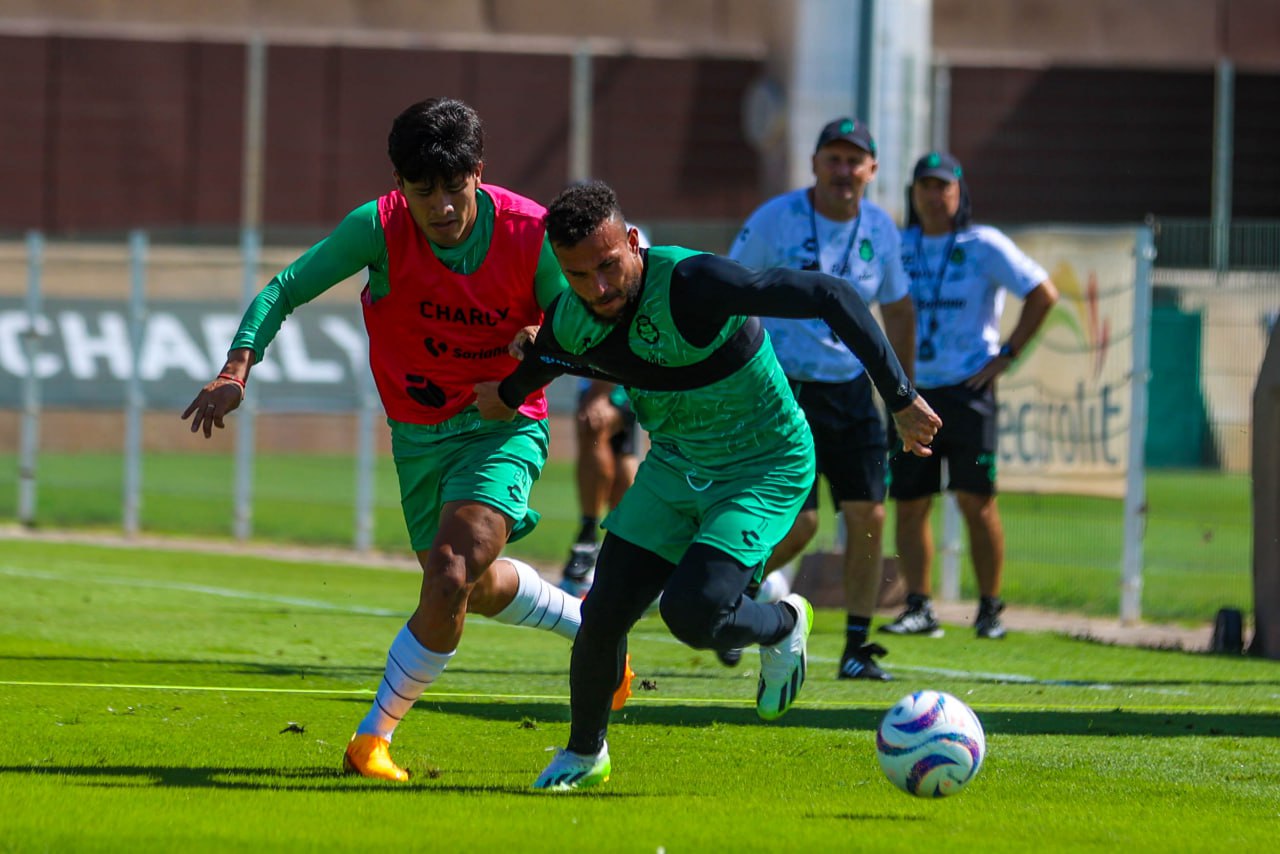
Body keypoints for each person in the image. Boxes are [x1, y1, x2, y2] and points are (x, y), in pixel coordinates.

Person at [180, 97, 631, 783]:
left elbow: (582, 318)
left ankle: (370, 740)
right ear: (401, 187)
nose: (442, 207)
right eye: (424, 192)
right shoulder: (379, 228)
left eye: (455, 188)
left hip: (501, 426)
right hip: (418, 437)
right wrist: (236, 365)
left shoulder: (528, 233)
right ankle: (589, 626)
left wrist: (546, 343)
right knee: (460, 589)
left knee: (450, 571)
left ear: (478, 173)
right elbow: (285, 289)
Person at [473, 180, 941, 791]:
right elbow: (525, 379)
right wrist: (495, 395)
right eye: (579, 275)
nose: (600, 288)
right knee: (603, 613)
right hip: (674, 466)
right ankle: (585, 754)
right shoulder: (570, 322)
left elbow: (833, 293)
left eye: (609, 265)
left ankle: (781, 625)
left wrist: (900, 398)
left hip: (764, 463)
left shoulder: (693, 285)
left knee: (691, 613)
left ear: (633, 244)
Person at [727, 117, 915, 681]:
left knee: (869, 515)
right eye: (832, 158)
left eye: (854, 161)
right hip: (785, 389)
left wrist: (904, 390)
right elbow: (728, 288)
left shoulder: (882, 229)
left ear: (872, 171)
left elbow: (900, 309)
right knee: (801, 524)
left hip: (854, 390)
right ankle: (733, 595)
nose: (843, 171)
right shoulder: (774, 218)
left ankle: (856, 649)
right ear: (814, 164)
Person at [881, 151, 1059, 640]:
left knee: (976, 502)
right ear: (913, 194)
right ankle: (919, 607)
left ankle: (990, 610)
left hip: (967, 394)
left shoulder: (984, 244)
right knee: (912, 503)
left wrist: (1006, 355)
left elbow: (1043, 293)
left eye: (944, 187)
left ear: (959, 194)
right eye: (925, 187)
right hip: (911, 395)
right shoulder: (898, 244)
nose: (934, 196)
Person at [560, 227, 649, 598]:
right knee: (599, 434)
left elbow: (627, 317)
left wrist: (604, 396)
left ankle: (614, 543)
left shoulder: (627, 244)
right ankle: (595, 538)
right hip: (596, 362)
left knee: (610, 437)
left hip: (634, 366)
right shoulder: (568, 252)